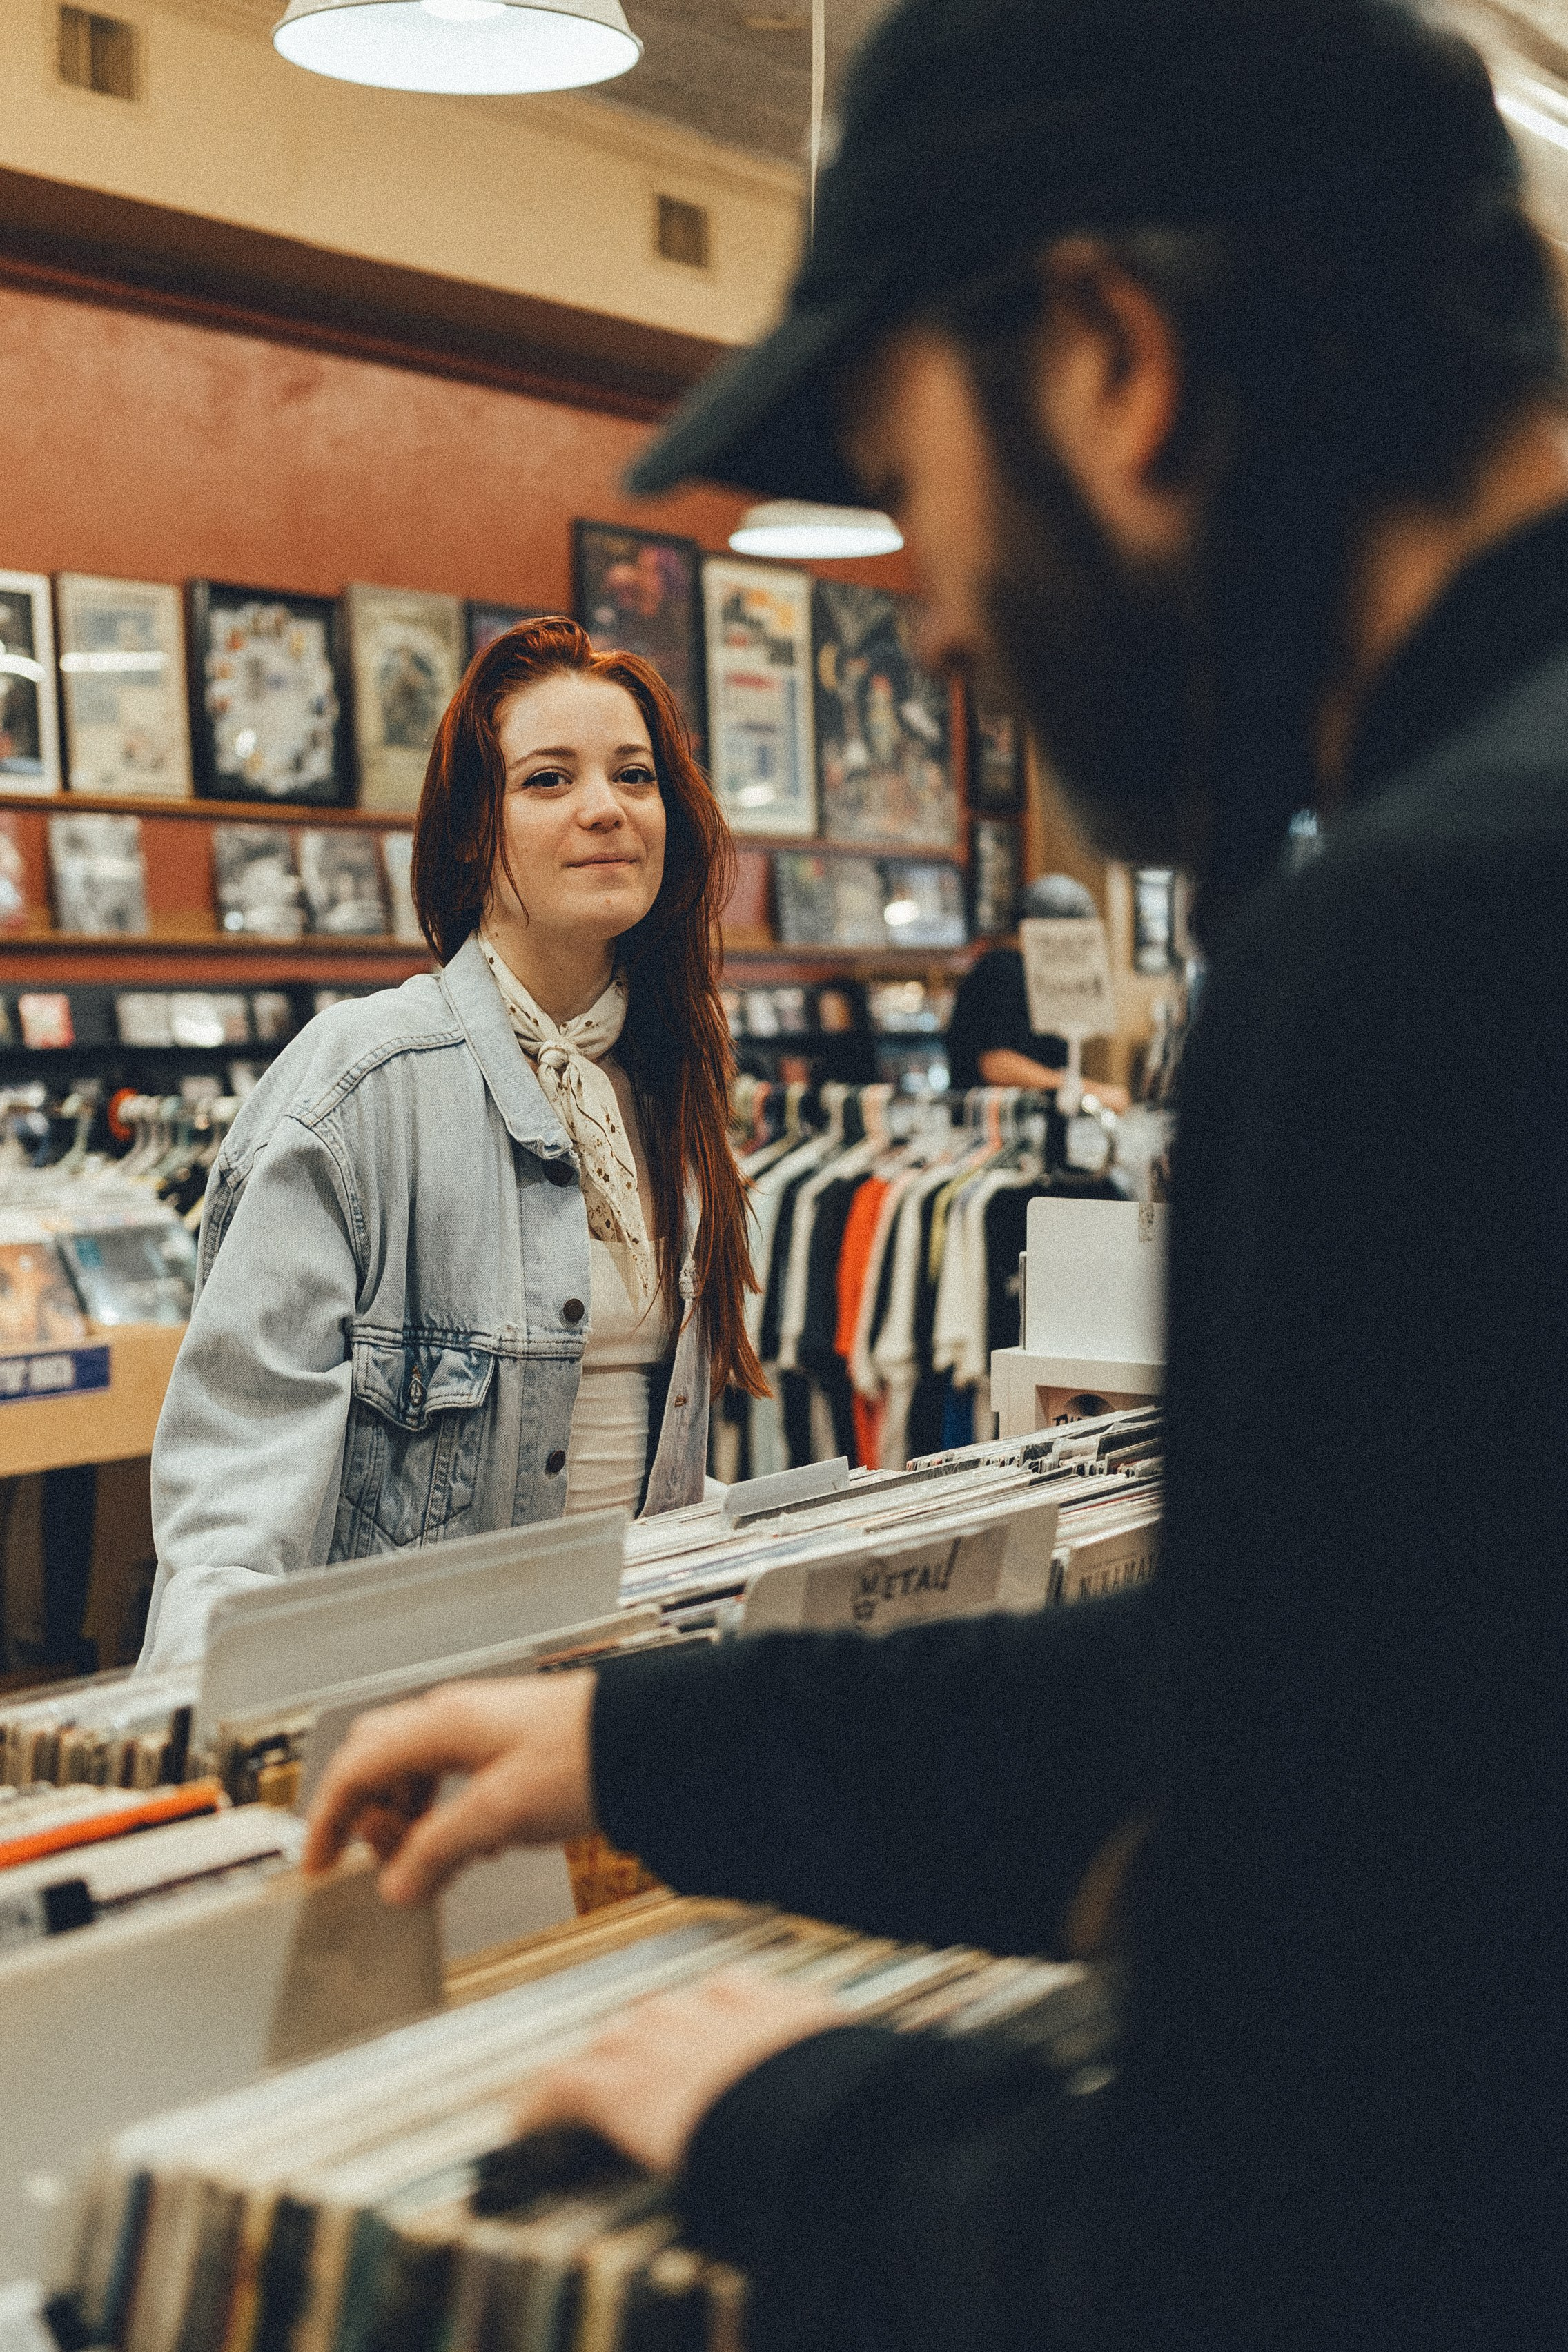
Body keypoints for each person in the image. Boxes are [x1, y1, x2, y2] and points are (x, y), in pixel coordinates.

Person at [305, 1, 1568, 2343]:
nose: (940, 617)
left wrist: (793, 2109)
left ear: (1107, 359)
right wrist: (634, 1735)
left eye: (906, 485)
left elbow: (1276, 2241)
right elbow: (1353, 1691)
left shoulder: (1414, 952)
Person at [141, 618, 763, 1668]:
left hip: (611, 1720)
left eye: (635, 775)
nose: (606, 809)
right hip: (410, 1729)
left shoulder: (667, 1090)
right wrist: (206, 1762)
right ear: (477, 829)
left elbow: (645, 1472)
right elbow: (235, 1503)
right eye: (549, 780)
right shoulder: (362, 1083)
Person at [945, 870, 1130, 1104]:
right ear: (1035, 927)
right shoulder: (999, 970)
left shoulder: (1036, 976)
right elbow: (998, 1064)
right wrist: (1088, 1091)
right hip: (993, 1126)